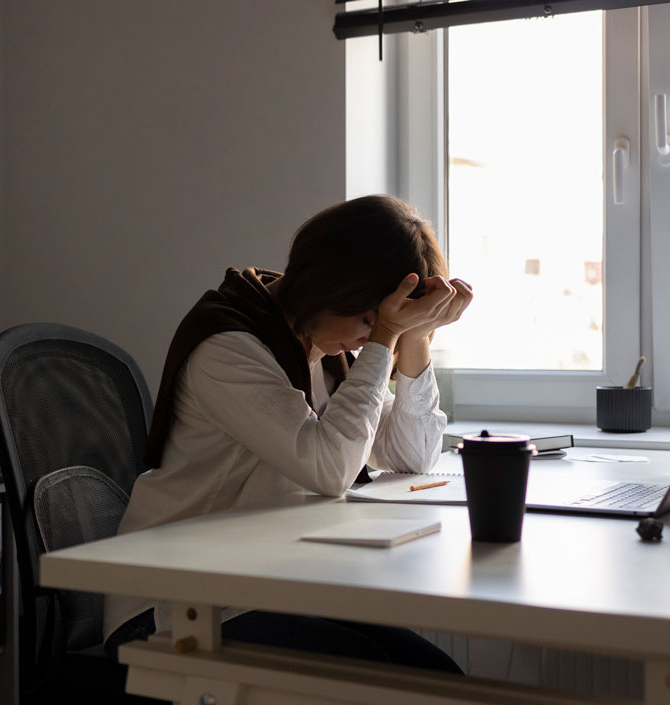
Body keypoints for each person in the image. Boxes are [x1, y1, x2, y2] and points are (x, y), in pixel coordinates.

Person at [103, 194, 473, 673]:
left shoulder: (326, 349)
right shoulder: (229, 345)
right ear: (331, 285)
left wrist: (415, 336)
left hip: (262, 585)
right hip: (173, 604)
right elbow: (329, 468)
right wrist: (384, 339)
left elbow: (410, 455)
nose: (369, 337)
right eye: (368, 318)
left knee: (437, 678)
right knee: (389, 682)